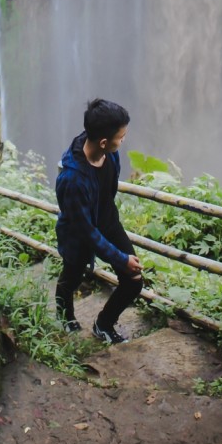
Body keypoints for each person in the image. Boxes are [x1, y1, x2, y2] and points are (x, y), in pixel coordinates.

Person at [55, 98, 143, 344]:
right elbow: (85, 231)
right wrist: (120, 258)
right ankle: (65, 315)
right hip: (78, 234)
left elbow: (106, 194)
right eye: (121, 136)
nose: (124, 140)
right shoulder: (72, 180)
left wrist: (121, 257)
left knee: (134, 281)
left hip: (108, 222)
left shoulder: (109, 155)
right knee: (71, 277)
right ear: (104, 142)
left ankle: (103, 324)